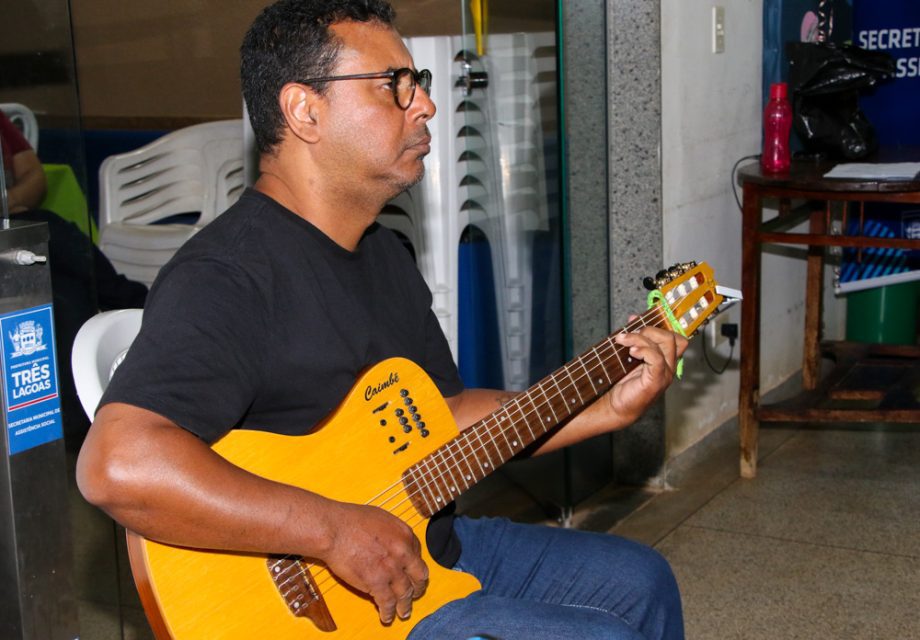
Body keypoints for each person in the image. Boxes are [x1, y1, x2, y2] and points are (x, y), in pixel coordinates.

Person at [75, 1, 687, 638]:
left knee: (642, 583)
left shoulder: (382, 253)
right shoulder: (229, 275)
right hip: (334, 604)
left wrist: (604, 408)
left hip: (429, 549)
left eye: (416, 83)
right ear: (303, 111)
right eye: (394, 86)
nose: (423, 105)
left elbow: (440, 420)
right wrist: (332, 530)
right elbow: (117, 463)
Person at [1, 109, 147, 449]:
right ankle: (135, 302)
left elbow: (33, 177)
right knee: (63, 265)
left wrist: (7, 202)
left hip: (14, 223)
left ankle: (78, 422)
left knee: (69, 290)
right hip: (14, 227)